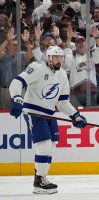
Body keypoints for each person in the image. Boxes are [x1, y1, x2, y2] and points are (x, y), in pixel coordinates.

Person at [9, 46, 87, 194]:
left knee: (51, 145)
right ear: (49, 57)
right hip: (34, 112)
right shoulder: (37, 67)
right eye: (56, 57)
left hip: (49, 114)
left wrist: (75, 115)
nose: (59, 60)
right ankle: (38, 181)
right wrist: (17, 98)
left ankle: (42, 178)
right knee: (44, 145)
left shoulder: (62, 74)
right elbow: (17, 82)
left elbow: (62, 102)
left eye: (61, 57)